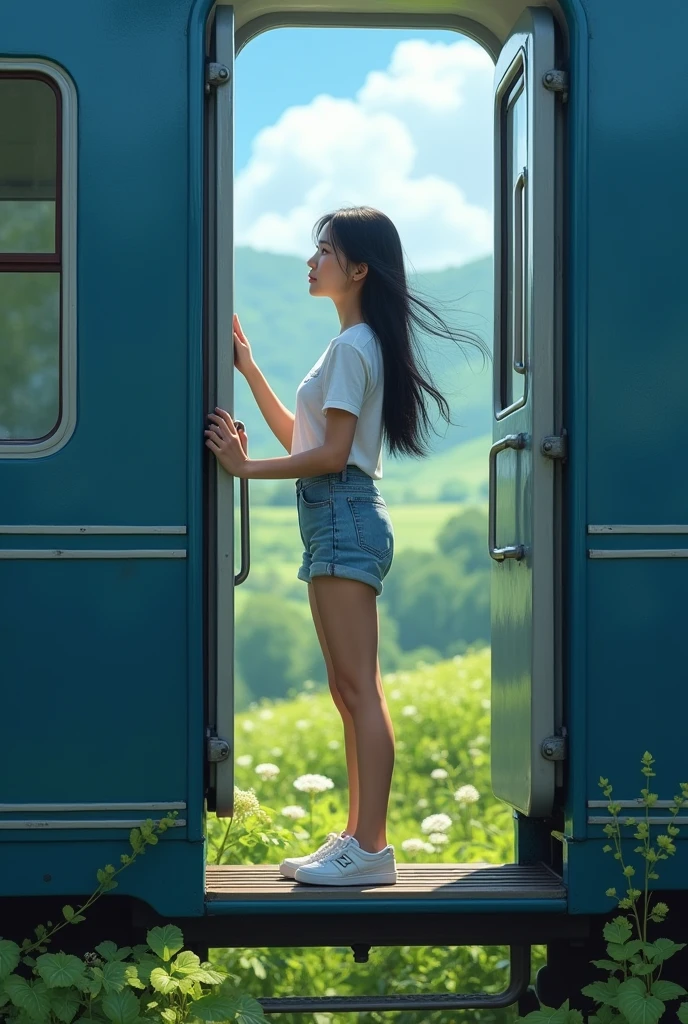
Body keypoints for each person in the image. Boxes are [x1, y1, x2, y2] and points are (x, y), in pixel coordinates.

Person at [205, 205, 486, 886]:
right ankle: (358, 839)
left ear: (357, 269)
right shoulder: (349, 346)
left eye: (323, 251)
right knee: (347, 690)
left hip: (344, 514)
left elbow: (330, 456)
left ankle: (371, 849)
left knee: (360, 690)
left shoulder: (356, 347)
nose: (312, 261)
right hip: (336, 517)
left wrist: (243, 471)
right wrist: (249, 372)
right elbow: (304, 440)